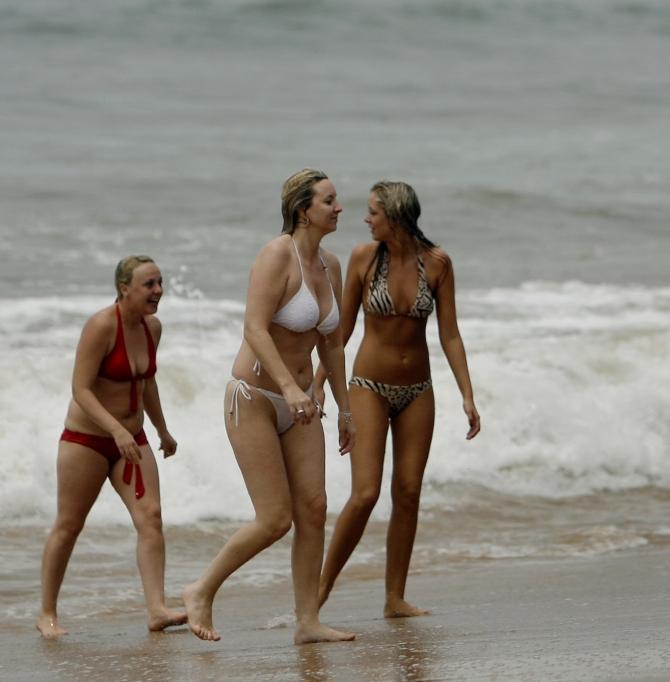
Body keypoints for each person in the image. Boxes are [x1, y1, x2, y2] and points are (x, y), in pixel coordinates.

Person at [182, 169, 356, 644]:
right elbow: (255, 329)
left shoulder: (332, 265)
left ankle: (308, 622)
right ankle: (201, 589)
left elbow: (333, 344)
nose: (339, 208)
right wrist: (290, 387)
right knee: (275, 518)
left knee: (315, 509)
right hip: (254, 398)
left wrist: (343, 408)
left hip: (302, 404)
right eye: (330, 201)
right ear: (304, 209)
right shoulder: (276, 255)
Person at [315, 181, 481, 618]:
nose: (365, 219)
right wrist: (319, 381)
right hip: (369, 385)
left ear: (396, 216)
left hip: (417, 390)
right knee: (365, 493)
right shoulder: (363, 258)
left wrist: (467, 394)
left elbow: (450, 333)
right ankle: (317, 593)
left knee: (408, 492)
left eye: (373, 212)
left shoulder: (438, 263)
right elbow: (342, 330)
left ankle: (394, 598)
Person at [36, 255, 186, 639]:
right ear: (124, 289)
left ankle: (156, 609)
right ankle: (47, 613)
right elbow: (81, 389)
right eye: (149, 285)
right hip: (86, 440)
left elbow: (146, 382)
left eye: (159, 282)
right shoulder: (102, 325)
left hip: (132, 441)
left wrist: (162, 430)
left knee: (150, 517)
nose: (158, 291)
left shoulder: (153, 328)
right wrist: (116, 431)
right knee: (69, 525)